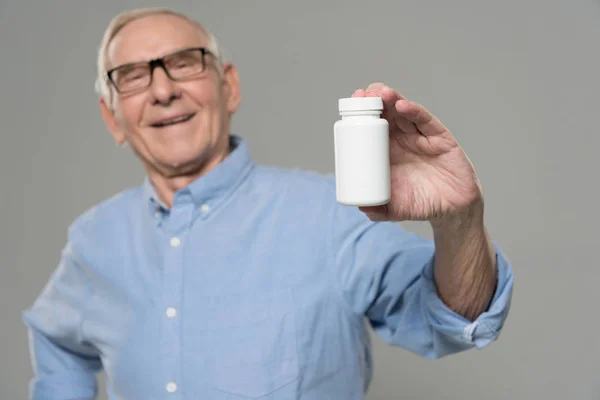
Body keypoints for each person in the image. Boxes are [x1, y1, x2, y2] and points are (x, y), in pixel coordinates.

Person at [22, 7, 514, 400]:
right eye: (131, 75)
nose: (163, 89)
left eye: (184, 63)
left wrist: (460, 222)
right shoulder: (94, 240)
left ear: (228, 86)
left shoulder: (333, 214)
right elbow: (56, 340)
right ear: (113, 119)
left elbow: (454, 317)